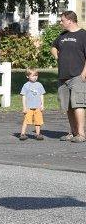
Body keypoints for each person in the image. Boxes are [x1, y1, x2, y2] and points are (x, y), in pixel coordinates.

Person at [51, 10, 86, 143]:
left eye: (62, 20)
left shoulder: (83, 35)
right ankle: (73, 132)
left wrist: (83, 74)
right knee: (69, 106)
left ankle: (81, 134)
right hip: (63, 77)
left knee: (78, 105)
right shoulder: (62, 35)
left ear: (70, 20)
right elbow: (53, 46)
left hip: (77, 76)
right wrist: (56, 56)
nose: (61, 22)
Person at [18, 68, 45, 141]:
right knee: (26, 121)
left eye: (36, 75)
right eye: (33, 76)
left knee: (38, 121)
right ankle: (22, 134)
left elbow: (41, 95)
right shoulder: (26, 85)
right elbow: (23, 96)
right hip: (29, 107)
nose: (35, 77)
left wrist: (42, 104)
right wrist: (24, 107)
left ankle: (38, 134)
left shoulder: (39, 85)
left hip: (37, 107)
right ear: (28, 76)